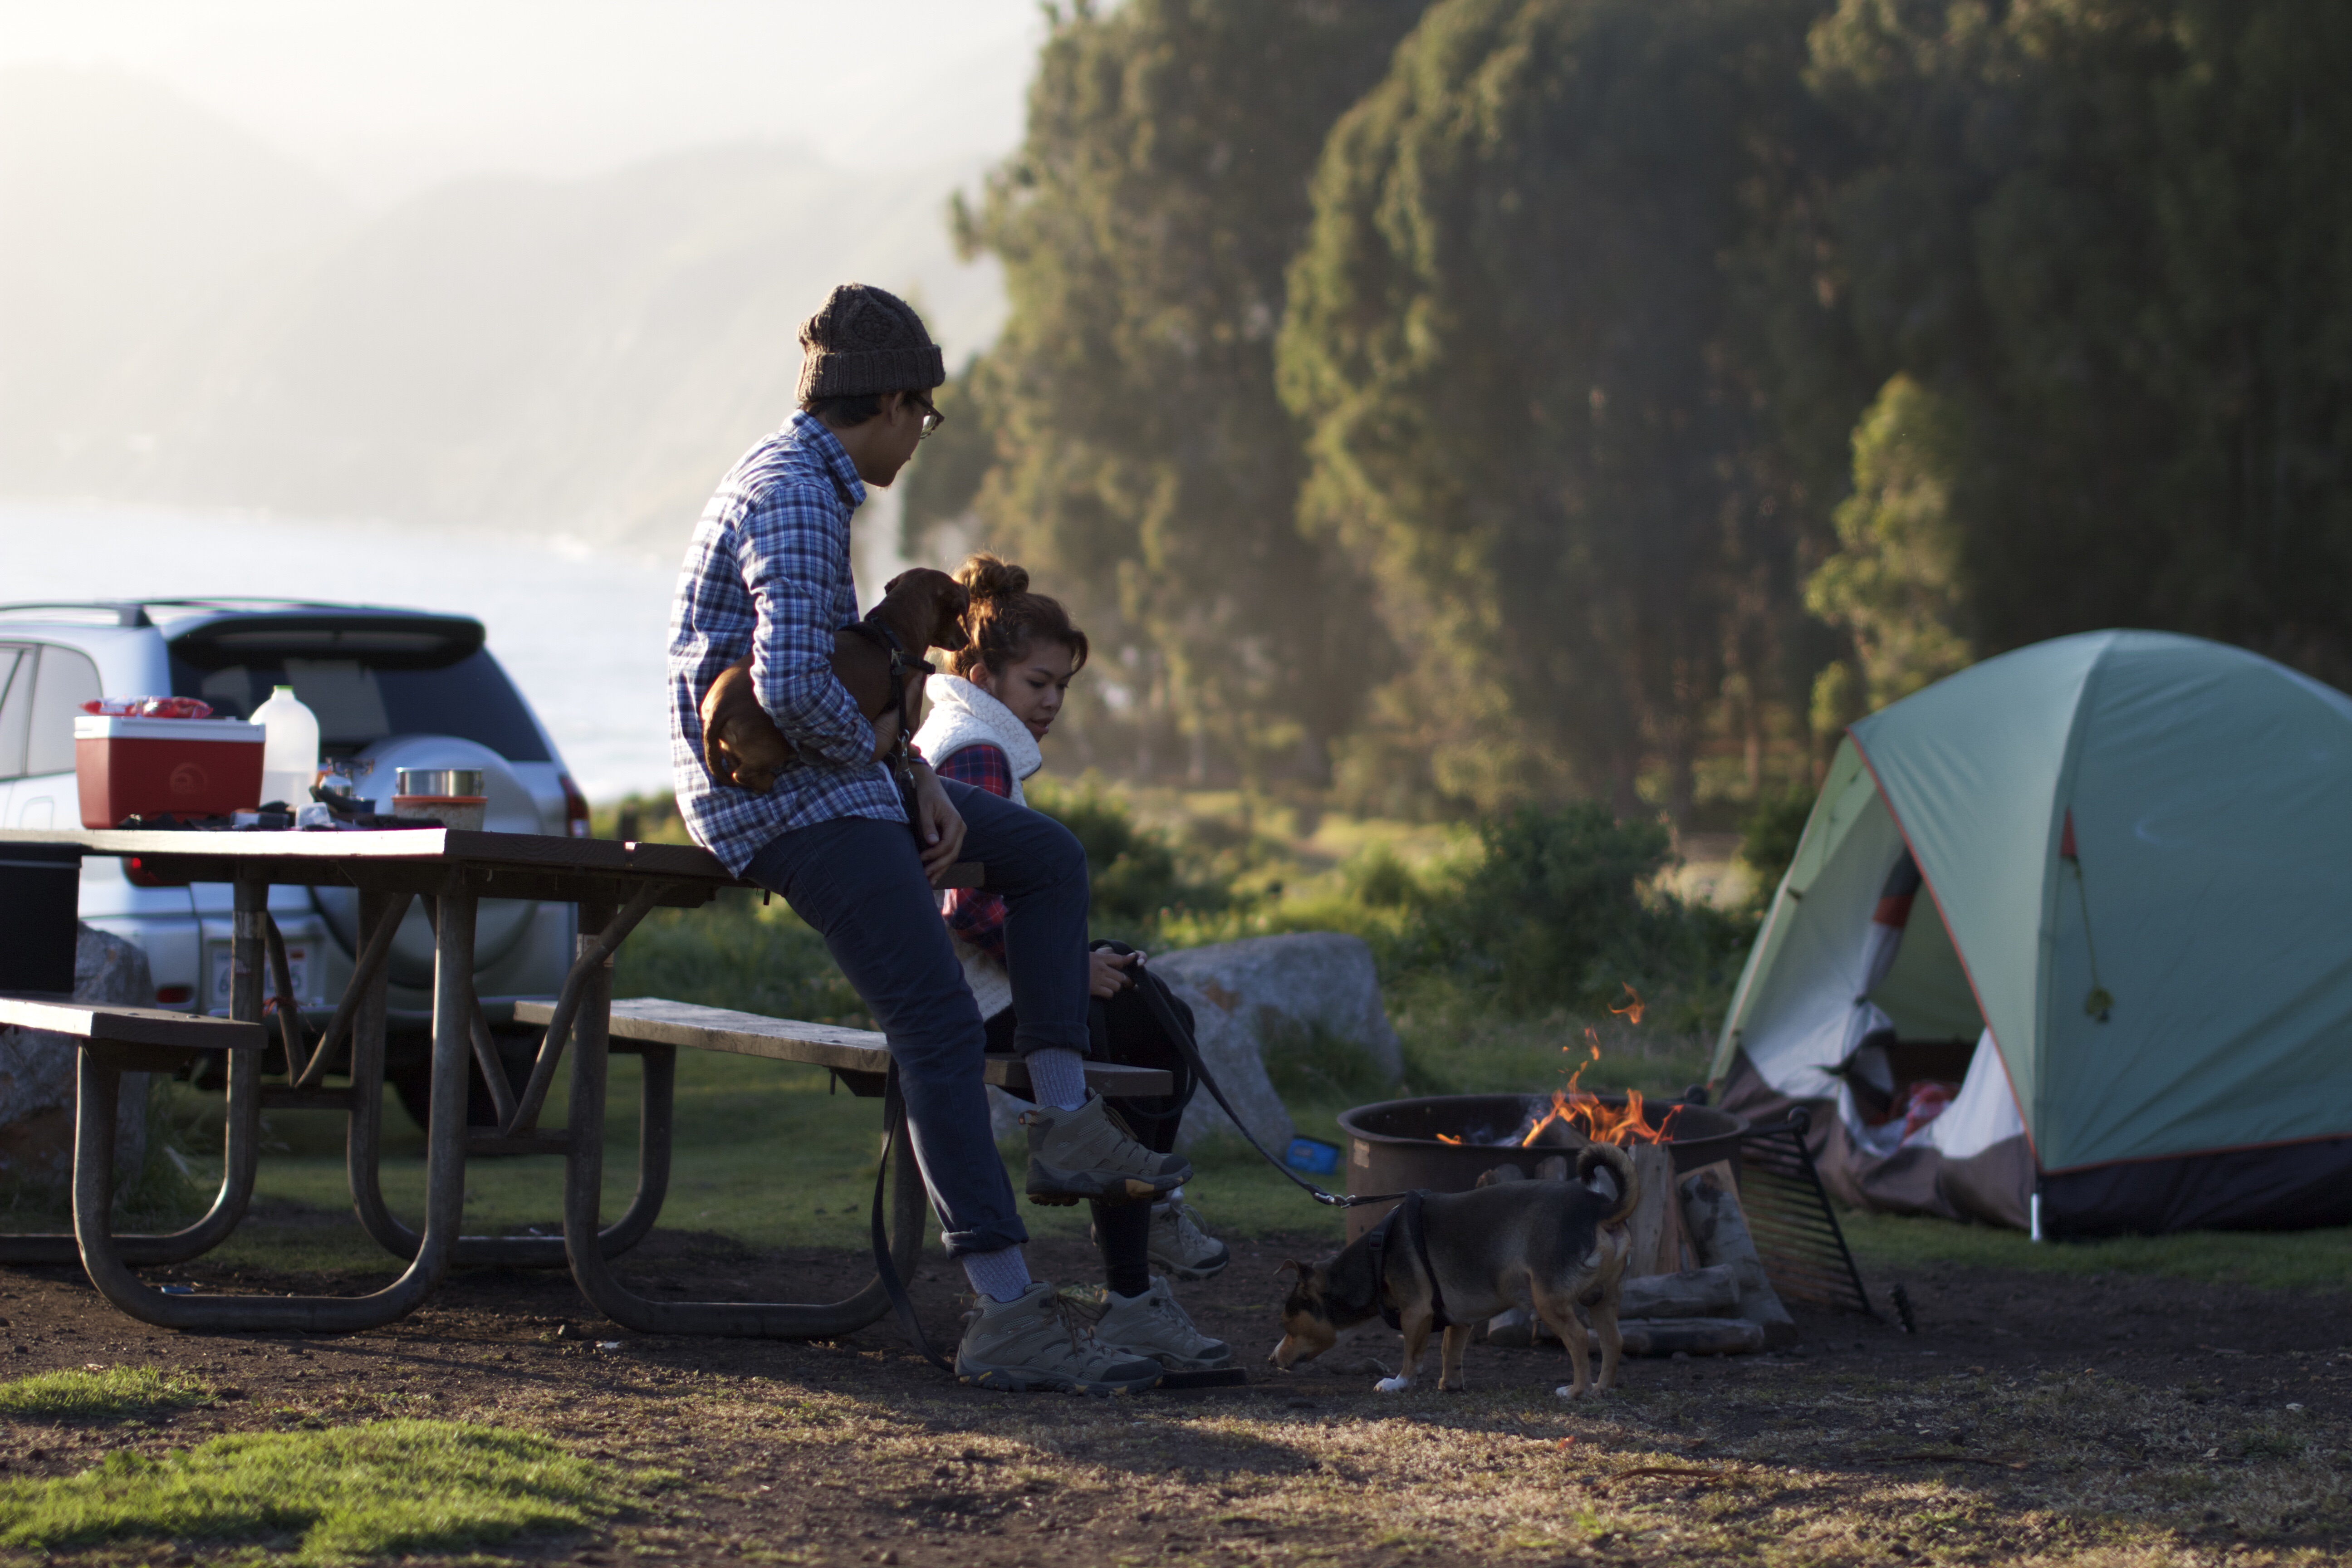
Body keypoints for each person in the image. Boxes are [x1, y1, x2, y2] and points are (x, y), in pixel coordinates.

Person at [666, 283, 1185, 1393]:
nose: (922, 436)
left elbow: (820, 687)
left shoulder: (803, 479)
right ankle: (1006, 1313)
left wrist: (906, 774)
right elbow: (798, 689)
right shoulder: (800, 499)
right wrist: (898, 780)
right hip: (777, 802)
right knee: (940, 1023)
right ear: (893, 404)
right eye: (924, 416)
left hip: (828, 776)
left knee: (1049, 859)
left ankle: (1060, 1116)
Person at [913, 554, 1232, 1371]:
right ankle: (1144, 1243)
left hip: (975, 991)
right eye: (1038, 683)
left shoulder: (956, 733)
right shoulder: (976, 747)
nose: (1052, 702)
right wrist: (1067, 972)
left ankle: (1141, 1248)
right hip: (986, 1006)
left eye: (1062, 687)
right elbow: (970, 904)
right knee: (1161, 1021)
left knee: (1144, 1010)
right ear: (983, 676)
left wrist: (1079, 959)